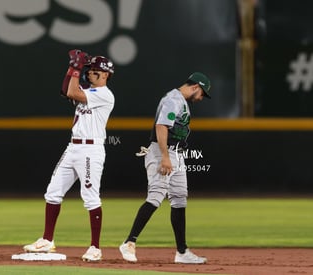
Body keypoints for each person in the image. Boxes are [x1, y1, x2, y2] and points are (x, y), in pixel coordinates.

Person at [23, 50, 115, 262]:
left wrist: (75, 68)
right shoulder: (89, 90)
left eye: (92, 71)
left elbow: (73, 93)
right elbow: (66, 90)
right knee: (52, 192)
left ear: (104, 74)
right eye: (88, 70)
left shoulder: (104, 94)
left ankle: (95, 247)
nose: (88, 73)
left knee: (90, 198)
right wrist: (72, 68)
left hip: (91, 151)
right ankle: (47, 240)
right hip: (73, 147)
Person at [119, 72, 211, 264]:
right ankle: (129, 242)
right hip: (163, 152)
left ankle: (182, 252)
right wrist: (165, 157)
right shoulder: (173, 99)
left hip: (176, 153)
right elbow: (162, 126)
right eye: (202, 93)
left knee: (179, 199)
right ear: (195, 87)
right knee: (156, 195)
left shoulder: (181, 101)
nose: (202, 98)